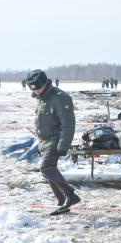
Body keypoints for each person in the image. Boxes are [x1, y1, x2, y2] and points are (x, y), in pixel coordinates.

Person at [25, 69, 80, 215]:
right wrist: (39, 144)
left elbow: (68, 124)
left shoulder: (60, 98)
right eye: (33, 89)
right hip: (45, 141)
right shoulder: (42, 98)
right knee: (49, 170)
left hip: (56, 140)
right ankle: (62, 201)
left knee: (46, 168)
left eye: (38, 88)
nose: (36, 91)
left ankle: (70, 195)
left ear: (44, 84)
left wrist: (63, 145)